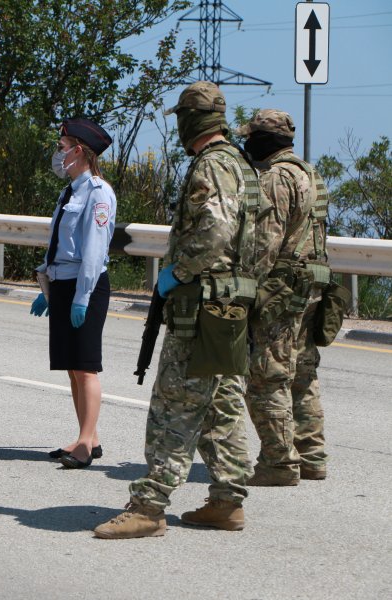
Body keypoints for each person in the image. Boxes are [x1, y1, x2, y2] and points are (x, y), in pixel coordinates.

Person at [93, 81, 263, 538]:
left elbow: (215, 232)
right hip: (229, 305)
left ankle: (149, 505)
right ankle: (227, 502)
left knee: (175, 405)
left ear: (192, 119)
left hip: (202, 307)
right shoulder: (242, 165)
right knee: (221, 404)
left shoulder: (211, 164)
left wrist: (179, 272)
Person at [237, 109, 331, 485]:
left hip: (281, 291)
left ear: (263, 140)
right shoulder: (312, 174)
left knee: (267, 376)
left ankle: (278, 462)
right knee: (302, 373)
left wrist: (247, 292)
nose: (246, 145)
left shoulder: (275, 177)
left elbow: (266, 242)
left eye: (251, 138)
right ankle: (311, 456)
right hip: (311, 285)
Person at [29, 117, 116, 469]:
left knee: (86, 368)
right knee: (72, 369)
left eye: (63, 148)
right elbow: (61, 245)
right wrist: (48, 286)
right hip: (64, 283)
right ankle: (88, 437)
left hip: (86, 286)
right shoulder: (71, 191)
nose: (58, 153)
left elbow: (94, 252)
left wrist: (82, 297)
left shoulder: (98, 193)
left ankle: (84, 444)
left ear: (79, 151)